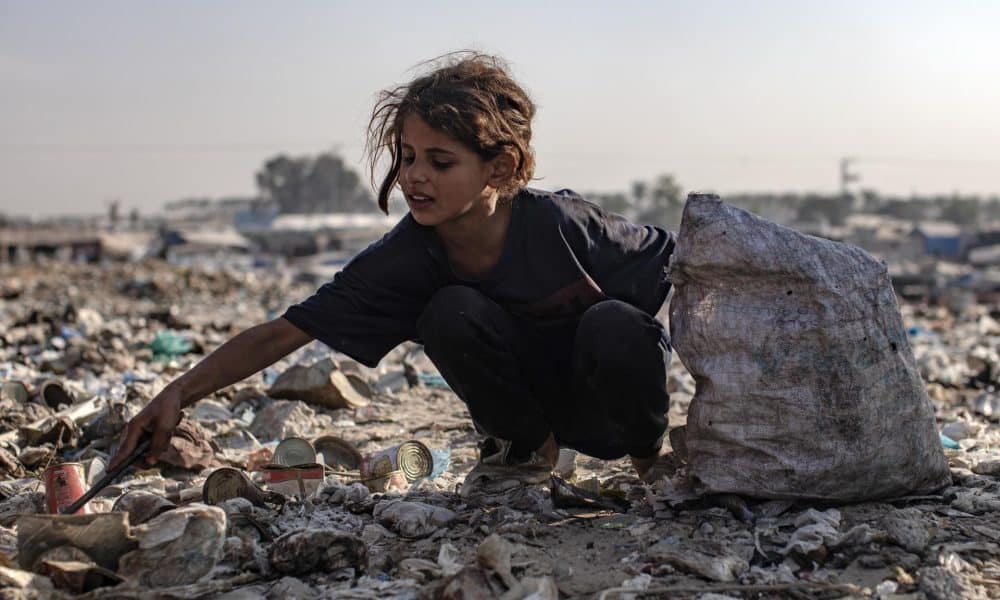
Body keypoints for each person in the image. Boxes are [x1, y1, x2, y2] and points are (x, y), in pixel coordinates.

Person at [110, 52, 676, 485]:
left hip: (610, 414)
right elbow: (285, 332)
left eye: (440, 161)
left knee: (617, 324)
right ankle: (530, 451)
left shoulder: (563, 225)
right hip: (531, 411)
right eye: (406, 156)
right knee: (449, 311)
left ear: (499, 168)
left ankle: (652, 458)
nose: (414, 177)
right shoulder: (409, 256)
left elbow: (688, 270)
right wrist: (177, 393)